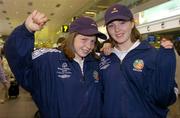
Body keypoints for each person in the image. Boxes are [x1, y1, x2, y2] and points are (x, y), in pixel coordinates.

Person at [4, 10, 107, 118]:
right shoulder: (49, 60)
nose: (88, 46)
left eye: (92, 41)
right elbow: (17, 58)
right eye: (84, 39)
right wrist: (26, 30)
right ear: (72, 37)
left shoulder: (96, 63)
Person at [99, 4, 177, 118]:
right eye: (111, 25)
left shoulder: (152, 55)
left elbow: (169, 93)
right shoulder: (104, 58)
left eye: (122, 22)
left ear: (132, 23)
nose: (117, 29)